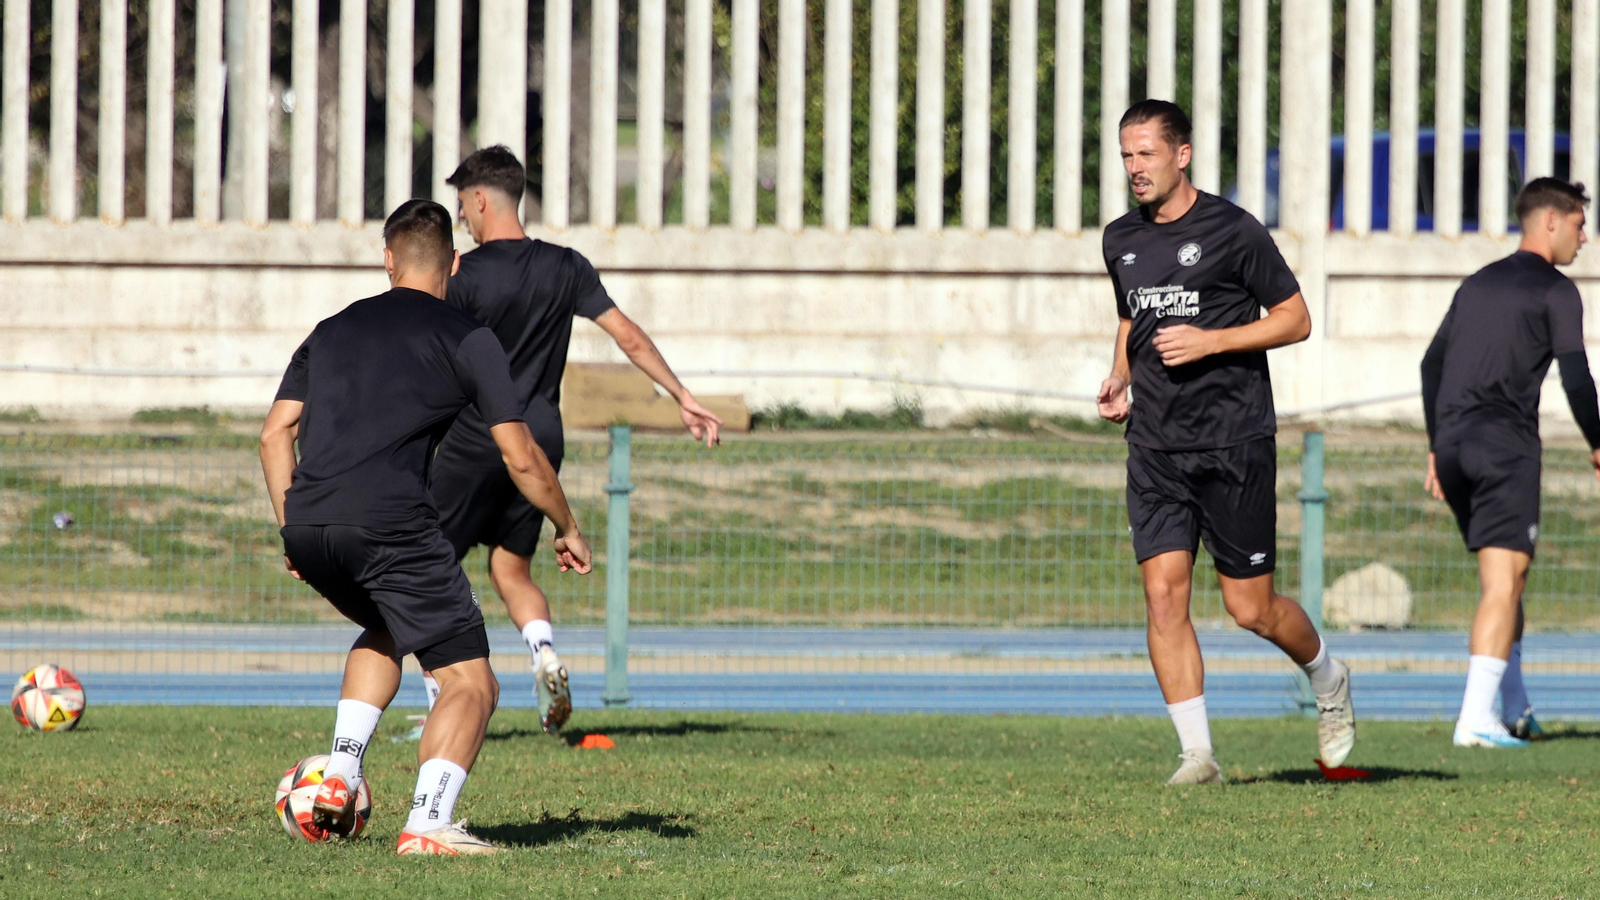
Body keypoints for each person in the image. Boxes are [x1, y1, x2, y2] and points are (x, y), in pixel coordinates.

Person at [259, 199, 592, 855]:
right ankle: (428, 825)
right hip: (391, 527)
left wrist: (292, 523)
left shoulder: (328, 330)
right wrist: (566, 524)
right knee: (472, 680)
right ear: (455, 263)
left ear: (388, 259)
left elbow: (275, 435)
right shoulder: (467, 337)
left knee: (388, 627)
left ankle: (342, 773)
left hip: (311, 525)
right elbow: (520, 454)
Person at [405, 145, 722, 737]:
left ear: (478, 200)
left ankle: (439, 697)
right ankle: (544, 655)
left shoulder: (464, 275)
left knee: (432, 563)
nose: (464, 221)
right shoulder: (567, 266)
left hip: (481, 436)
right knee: (510, 568)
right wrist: (681, 396)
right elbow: (625, 334)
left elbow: (424, 345)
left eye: (462, 207)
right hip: (543, 438)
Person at [1096, 99, 1355, 785]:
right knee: (1162, 595)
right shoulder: (1120, 237)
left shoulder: (1234, 231)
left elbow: (1295, 319)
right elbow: (1131, 316)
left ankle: (1329, 678)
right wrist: (1121, 375)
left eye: (1145, 153)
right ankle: (1198, 755)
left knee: (1251, 609)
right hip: (1154, 446)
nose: (1134, 168)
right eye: (1126, 155)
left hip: (1233, 442)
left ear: (1181, 154)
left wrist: (1214, 340)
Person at [1420, 177, 1600, 748]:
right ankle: (1474, 720)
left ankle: (1514, 707)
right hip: (1504, 448)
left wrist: (1434, 445)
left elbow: (1431, 365)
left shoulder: (1477, 284)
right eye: (1578, 224)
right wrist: (1598, 441)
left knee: (1507, 579)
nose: (1584, 238)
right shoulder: (1556, 290)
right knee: (1505, 581)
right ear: (1550, 221)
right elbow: (1576, 376)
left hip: (1452, 447)